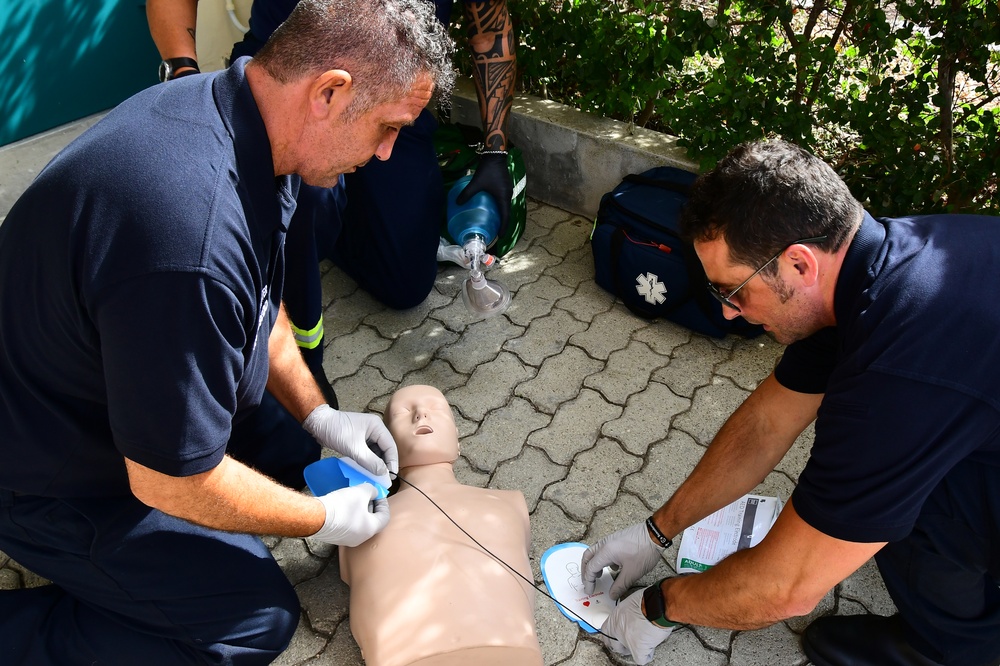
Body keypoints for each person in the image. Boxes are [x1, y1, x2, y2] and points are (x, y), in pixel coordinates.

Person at [0, 1, 454, 663]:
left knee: (317, 455)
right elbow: (169, 482)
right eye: (386, 129)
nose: (386, 154)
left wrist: (321, 415)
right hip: (49, 466)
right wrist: (319, 519)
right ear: (331, 92)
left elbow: (262, 305)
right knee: (250, 619)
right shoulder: (191, 242)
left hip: (121, 373)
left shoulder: (250, 121)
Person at [580, 139, 1000, 666]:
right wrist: (657, 531)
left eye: (733, 290)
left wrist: (661, 605)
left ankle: (952, 650)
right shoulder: (867, 270)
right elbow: (766, 424)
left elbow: (785, 586)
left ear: (799, 264)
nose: (729, 314)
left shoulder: (896, 372)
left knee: (886, 502)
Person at [146, 0, 518, 394]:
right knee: (305, 199)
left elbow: (490, 32)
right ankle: (295, 355)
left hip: (390, 90)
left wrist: (495, 151)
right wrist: (181, 70)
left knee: (405, 284)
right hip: (289, 79)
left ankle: (327, 222)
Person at [339, 384, 543, 666]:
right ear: (384, 446)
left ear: (458, 441)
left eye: (436, 409)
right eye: (403, 413)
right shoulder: (356, 519)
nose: (421, 414)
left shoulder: (510, 503)